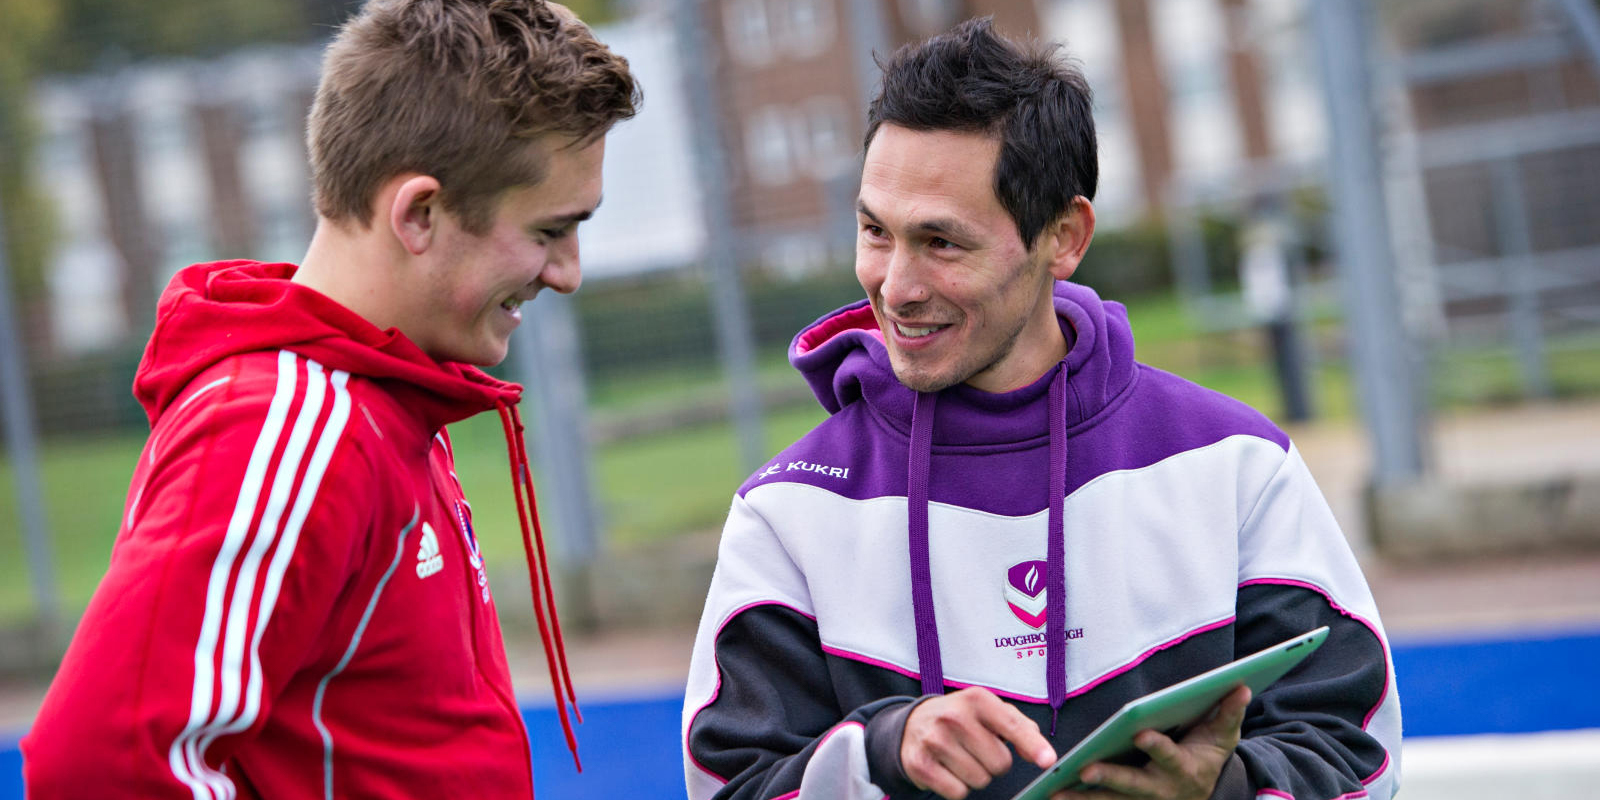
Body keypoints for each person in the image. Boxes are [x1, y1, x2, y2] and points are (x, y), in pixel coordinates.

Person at [682, 17, 1398, 800]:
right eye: (874, 232)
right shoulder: (789, 513)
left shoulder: (1234, 465)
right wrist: (884, 754)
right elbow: (732, 785)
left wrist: (1224, 791)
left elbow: (1358, 756)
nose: (895, 286)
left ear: (1064, 236)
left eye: (942, 243)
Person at [23, 0, 637, 796]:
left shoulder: (381, 399)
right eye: (551, 231)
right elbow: (95, 768)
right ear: (419, 213)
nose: (568, 271)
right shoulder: (291, 428)